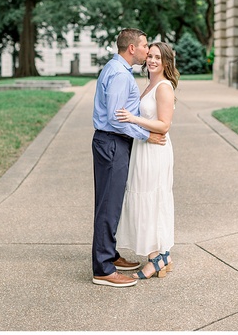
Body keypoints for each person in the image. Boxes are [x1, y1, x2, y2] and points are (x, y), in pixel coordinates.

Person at [91, 28, 167, 288]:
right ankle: (103, 269)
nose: (148, 51)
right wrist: (146, 135)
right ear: (132, 48)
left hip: (111, 142)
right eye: (145, 46)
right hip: (112, 142)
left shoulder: (118, 70)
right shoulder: (120, 75)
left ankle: (109, 255)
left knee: (109, 203)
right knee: (108, 206)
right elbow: (116, 118)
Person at [115, 42, 178, 279]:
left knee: (152, 199)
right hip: (144, 147)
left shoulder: (163, 87)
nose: (151, 60)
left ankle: (156, 259)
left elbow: (164, 125)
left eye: (157, 58)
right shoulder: (149, 83)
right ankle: (163, 255)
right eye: (150, 56)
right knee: (144, 199)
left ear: (166, 62)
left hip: (156, 151)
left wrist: (133, 119)